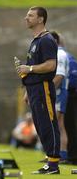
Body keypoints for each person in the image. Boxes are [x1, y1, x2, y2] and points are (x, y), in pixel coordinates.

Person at [15, 6, 60, 174]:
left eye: (30, 15)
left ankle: (54, 164)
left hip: (43, 88)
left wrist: (30, 69)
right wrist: (28, 88)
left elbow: (51, 65)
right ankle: (50, 161)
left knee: (48, 123)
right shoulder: (35, 40)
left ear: (41, 19)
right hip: (34, 89)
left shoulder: (46, 40)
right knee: (40, 125)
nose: (26, 18)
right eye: (27, 15)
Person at [50, 31, 69, 162]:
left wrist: (48, 91)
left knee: (56, 125)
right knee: (58, 124)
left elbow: (59, 76)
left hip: (59, 93)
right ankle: (58, 154)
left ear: (55, 41)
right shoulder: (56, 54)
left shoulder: (60, 54)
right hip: (58, 93)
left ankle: (59, 154)